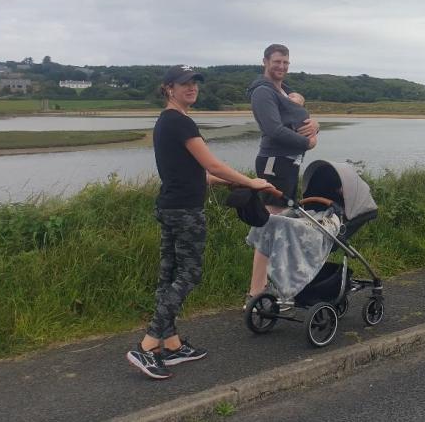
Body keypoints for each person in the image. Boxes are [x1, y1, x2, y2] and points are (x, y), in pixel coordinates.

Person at [126, 65, 275, 380]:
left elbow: (200, 173)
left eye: (194, 82)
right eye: (184, 83)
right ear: (169, 88)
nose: (192, 87)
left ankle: (172, 343)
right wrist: (250, 182)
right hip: (185, 212)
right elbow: (212, 163)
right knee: (189, 275)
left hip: (168, 206)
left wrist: (225, 182)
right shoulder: (180, 123)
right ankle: (148, 344)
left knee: (169, 277)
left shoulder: (165, 122)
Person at [245, 44, 319, 306]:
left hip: (287, 164)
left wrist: (315, 125)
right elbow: (274, 130)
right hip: (274, 163)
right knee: (270, 225)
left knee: (278, 224)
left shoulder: (283, 90)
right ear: (265, 61)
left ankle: (269, 288)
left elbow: (299, 116)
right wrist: (308, 143)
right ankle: (256, 293)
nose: (282, 67)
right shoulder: (262, 93)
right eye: (277, 62)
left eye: (286, 62)